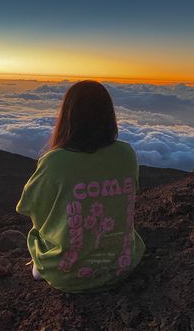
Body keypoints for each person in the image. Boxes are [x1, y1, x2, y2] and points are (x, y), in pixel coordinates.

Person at [15, 80, 146, 293]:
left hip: (68, 276)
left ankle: (47, 265)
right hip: (122, 265)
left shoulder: (54, 161)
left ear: (68, 116)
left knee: (36, 235)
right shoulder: (127, 154)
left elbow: (28, 206)